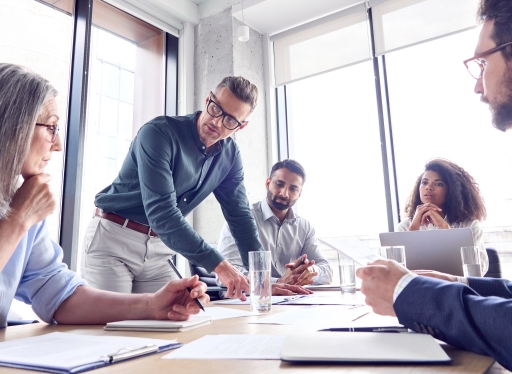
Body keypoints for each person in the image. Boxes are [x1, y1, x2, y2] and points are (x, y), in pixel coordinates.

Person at [358, 0, 512, 369]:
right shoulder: (410, 219)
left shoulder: (467, 225)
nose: (477, 86)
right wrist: (455, 282)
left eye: (482, 63)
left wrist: (409, 292)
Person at [0, 63, 209, 328]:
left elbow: (57, 295)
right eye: (51, 127)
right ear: (13, 127)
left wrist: (150, 305)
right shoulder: (24, 209)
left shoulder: (21, 202)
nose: (59, 145)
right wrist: (18, 220)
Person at [82, 76, 265, 299]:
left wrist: (263, 279)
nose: (217, 122)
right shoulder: (159, 133)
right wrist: (219, 265)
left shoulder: (230, 155)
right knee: (112, 327)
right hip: (114, 240)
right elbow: (162, 213)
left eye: (230, 120)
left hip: (159, 250)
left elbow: (240, 216)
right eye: (216, 109)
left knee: (179, 319)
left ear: (241, 126)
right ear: (208, 99)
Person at [217, 159, 333, 290]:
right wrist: (277, 282)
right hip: (250, 302)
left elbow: (327, 271)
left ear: (300, 193)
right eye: (279, 184)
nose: (284, 193)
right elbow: (226, 274)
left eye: (293, 188)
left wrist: (309, 271)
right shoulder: (240, 219)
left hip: (292, 301)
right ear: (268, 183)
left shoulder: (304, 227)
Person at [397, 158, 488, 274]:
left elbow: (477, 271)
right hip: (421, 290)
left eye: (438, 184)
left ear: (452, 191)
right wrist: (412, 233)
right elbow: (397, 275)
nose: (428, 187)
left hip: (455, 289)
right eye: (424, 182)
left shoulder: (469, 226)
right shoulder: (405, 227)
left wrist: (445, 229)